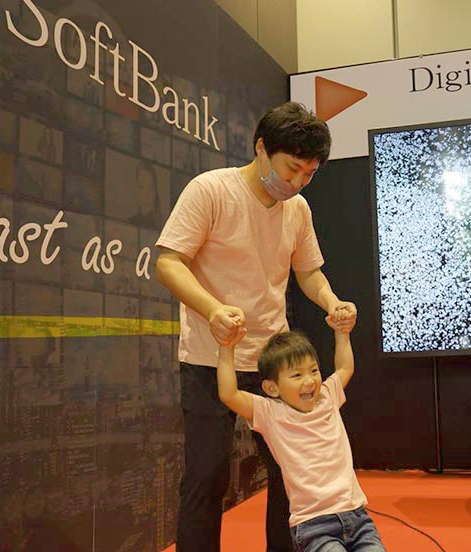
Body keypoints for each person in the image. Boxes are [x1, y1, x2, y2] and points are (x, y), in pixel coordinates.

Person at [155, 101, 357, 552]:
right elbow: (168, 262)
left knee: (292, 469)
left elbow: (308, 272)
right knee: (207, 474)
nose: (297, 182)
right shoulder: (211, 190)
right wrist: (212, 310)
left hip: (274, 362)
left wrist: (331, 302)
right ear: (261, 148)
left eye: (308, 173)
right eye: (291, 170)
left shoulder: (298, 209)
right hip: (211, 357)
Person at [217, 325, 386, 552]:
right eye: (297, 375)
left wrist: (342, 332)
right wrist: (226, 348)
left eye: (314, 371)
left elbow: (345, 367)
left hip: (356, 516)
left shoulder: (327, 395)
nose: (309, 381)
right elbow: (229, 394)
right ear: (272, 388)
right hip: (314, 525)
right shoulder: (271, 413)